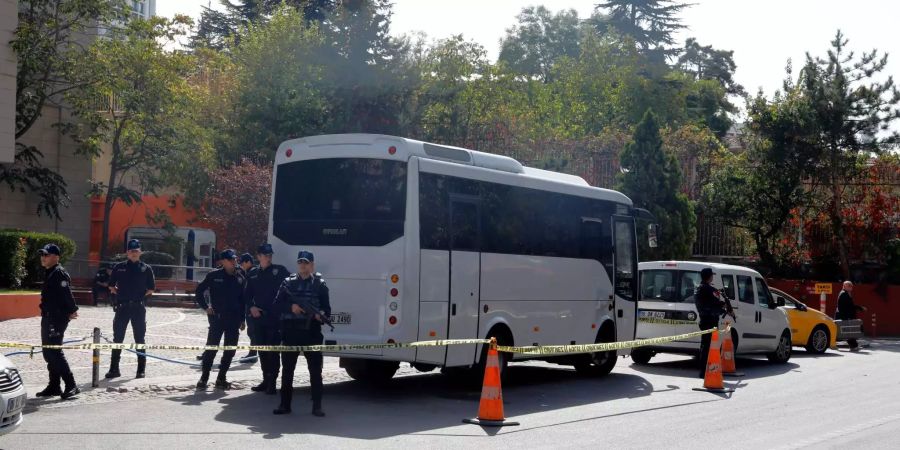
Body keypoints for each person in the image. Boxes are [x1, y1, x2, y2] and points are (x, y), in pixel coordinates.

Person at [272, 250, 330, 416]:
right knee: (288, 370)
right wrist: (291, 307)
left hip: (311, 332)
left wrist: (321, 315)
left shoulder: (320, 284)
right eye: (300, 262)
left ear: (312, 265)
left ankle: (317, 405)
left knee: (315, 371)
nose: (303, 265)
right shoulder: (287, 283)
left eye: (306, 262)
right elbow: (276, 305)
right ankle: (285, 404)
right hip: (291, 332)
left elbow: (327, 309)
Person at [195, 249, 247, 389]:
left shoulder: (241, 276)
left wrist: (243, 319)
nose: (233, 262)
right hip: (217, 318)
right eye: (230, 260)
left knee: (230, 350)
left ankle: (221, 377)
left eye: (235, 259)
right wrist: (206, 307)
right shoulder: (214, 275)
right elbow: (199, 291)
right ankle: (204, 378)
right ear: (223, 261)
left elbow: (243, 300)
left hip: (234, 319)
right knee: (211, 349)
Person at [35, 243, 80, 400]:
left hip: (56, 318)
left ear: (56, 257)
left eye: (46, 255)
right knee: (48, 352)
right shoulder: (50, 272)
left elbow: (66, 293)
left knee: (55, 351)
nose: (43, 257)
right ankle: (54, 385)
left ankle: (71, 384)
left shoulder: (59, 273)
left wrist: (72, 309)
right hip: (48, 316)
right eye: (42, 255)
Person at [105, 239, 156, 379]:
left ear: (140, 252)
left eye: (136, 251)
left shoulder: (146, 268)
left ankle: (141, 370)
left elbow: (151, 289)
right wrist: (121, 294)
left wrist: (138, 297)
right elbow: (111, 286)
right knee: (118, 338)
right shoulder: (119, 267)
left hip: (138, 307)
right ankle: (114, 369)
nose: (134, 253)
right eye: (131, 251)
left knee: (139, 338)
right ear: (127, 252)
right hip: (122, 307)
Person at [246, 243, 289, 394]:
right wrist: (251, 307)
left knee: (273, 351)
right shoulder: (252, 273)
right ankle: (265, 379)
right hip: (258, 318)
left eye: (270, 255)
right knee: (262, 351)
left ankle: (272, 382)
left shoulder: (280, 271)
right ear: (258, 256)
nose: (268, 258)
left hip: (274, 318)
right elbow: (246, 295)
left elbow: (289, 291)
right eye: (265, 255)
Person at [694, 267, 734, 378]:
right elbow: (716, 304)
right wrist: (725, 308)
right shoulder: (710, 290)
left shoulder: (698, 288)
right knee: (710, 347)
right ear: (709, 276)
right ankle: (709, 371)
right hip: (710, 321)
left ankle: (703, 371)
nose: (712, 277)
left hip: (703, 320)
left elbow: (709, 304)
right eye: (712, 275)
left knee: (704, 346)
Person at [835, 281, 866, 352]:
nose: (851, 287)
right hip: (845, 316)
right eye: (849, 285)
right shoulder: (844, 294)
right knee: (848, 331)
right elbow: (849, 306)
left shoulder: (845, 293)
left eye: (851, 286)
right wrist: (860, 308)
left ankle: (854, 346)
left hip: (846, 315)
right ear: (844, 286)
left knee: (849, 331)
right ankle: (854, 346)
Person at [238, 252, 258, 362]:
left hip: (252, 307)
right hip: (252, 306)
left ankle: (252, 355)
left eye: (243, 263)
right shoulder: (251, 272)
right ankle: (253, 354)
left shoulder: (252, 273)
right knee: (252, 331)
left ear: (248, 262)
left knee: (253, 331)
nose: (241, 265)